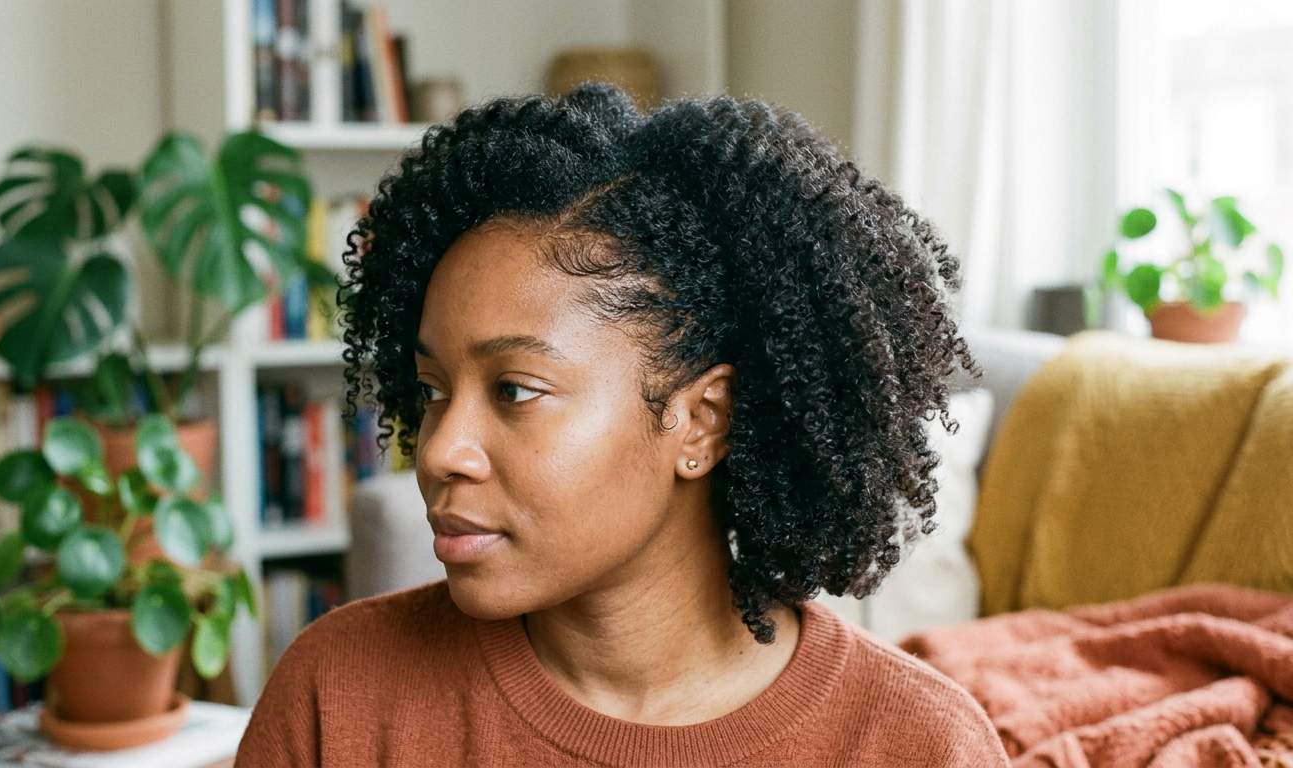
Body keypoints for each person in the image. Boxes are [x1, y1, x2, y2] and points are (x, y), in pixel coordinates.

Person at [237, 84, 1009, 767]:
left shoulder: (918, 746)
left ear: (702, 422)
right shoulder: (335, 698)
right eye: (432, 390)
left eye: (514, 390)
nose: (439, 451)